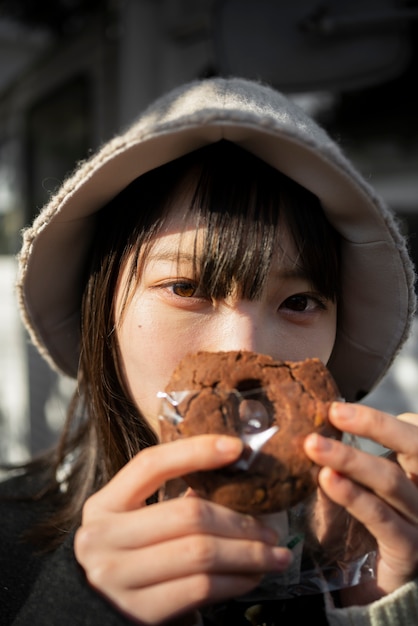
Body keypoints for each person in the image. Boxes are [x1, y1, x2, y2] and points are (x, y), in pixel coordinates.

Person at [1, 76, 418, 626]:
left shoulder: (366, 554)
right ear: (101, 305)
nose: (243, 350)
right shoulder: (8, 545)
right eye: (186, 289)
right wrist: (78, 609)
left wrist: (379, 603)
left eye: (299, 300)